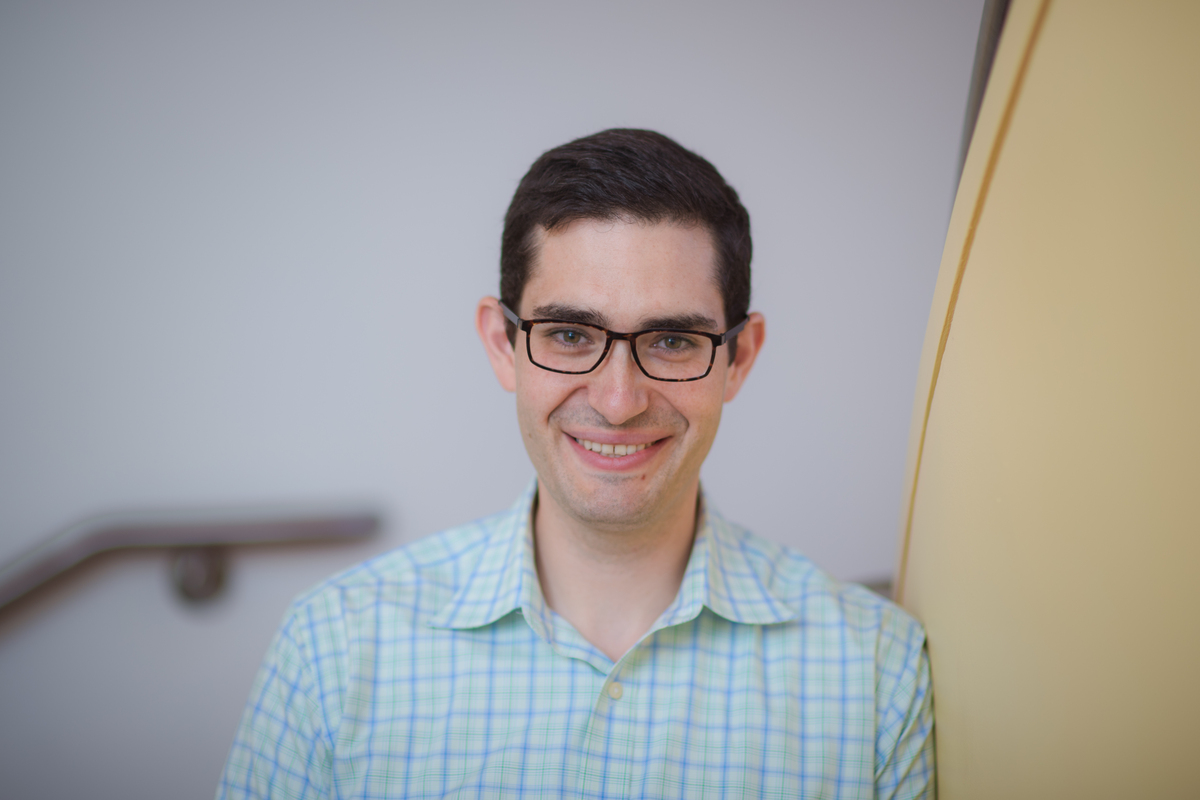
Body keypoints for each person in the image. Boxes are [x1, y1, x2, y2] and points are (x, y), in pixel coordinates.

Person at [218, 129, 935, 799]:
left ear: (738, 360)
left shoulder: (876, 674)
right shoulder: (333, 650)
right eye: (568, 334)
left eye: (673, 342)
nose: (619, 401)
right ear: (503, 345)